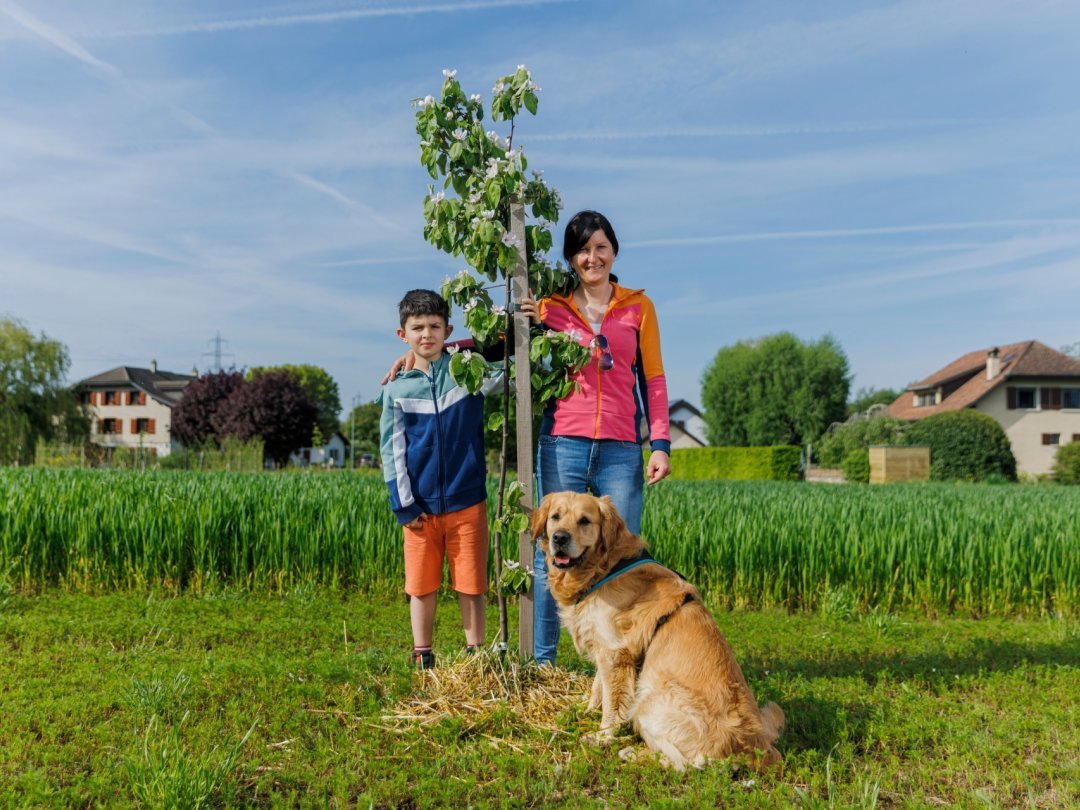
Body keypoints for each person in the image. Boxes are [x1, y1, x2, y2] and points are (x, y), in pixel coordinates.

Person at [520, 209, 671, 664]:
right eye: (583, 250)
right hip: (563, 440)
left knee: (622, 555)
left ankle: (621, 660)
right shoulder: (549, 308)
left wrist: (659, 443)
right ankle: (543, 663)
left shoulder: (638, 308)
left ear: (614, 251)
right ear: (570, 259)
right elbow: (501, 348)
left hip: (622, 448)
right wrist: (429, 353)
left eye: (600, 247)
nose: (593, 257)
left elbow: (655, 380)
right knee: (553, 551)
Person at [379, 289, 501, 669]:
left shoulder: (466, 372)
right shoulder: (396, 389)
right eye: (417, 328)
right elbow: (391, 451)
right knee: (421, 584)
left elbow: (508, 374)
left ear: (448, 330)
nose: (426, 334)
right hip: (419, 508)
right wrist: (404, 504)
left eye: (435, 326)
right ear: (403, 335)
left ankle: (475, 654)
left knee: (472, 583)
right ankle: (422, 654)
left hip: (468, 501)